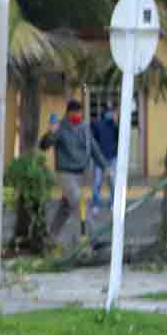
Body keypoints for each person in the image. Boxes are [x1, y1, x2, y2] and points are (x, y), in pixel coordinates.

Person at [40, 99, 107, 252]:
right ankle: (94, 238)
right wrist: (50, 133)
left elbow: (94, 148)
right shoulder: (61, 128)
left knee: (65, 209)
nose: (78, 115)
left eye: (80, 112)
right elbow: (44, 145)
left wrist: (104, 166)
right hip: (65, 174)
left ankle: (50, 238)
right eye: (75, 113)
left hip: (80, 174)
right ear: (68, 113)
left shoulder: (84, 127)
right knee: (79, 203)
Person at [91, 103, 119, 213]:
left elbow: (119, 138)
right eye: (108, 111)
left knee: (112, 182)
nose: (110, 114)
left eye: (111, 111)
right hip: (100, 159)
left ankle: (113, 203)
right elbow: (93, 140)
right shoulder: (97, 124)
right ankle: (95, 204)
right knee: (97, 182)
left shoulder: (115, 125)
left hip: (112, 158)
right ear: (104, 112)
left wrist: (116, 123)